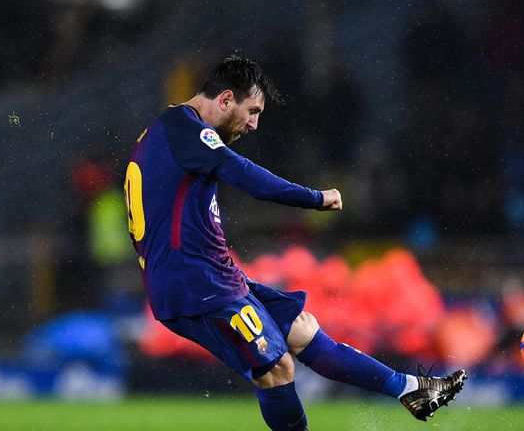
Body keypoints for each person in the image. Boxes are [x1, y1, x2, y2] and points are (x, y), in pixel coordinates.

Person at [123, 53, 466, 430]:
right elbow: (242, 173)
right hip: (195, 283)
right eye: (252, 111)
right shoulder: (187, 129)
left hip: (210, 274)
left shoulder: (168, 131)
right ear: (225, 99)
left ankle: (410, 389)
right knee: (276, 369)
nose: (254, 125)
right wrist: (315, 198)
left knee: (302, 330)